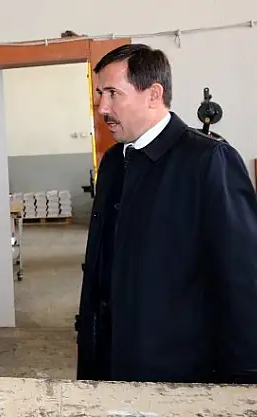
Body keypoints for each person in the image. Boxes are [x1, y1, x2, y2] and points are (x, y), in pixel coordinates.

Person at [75, 44, 257, 383]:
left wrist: (244, 379)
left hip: (177, 370)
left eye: (113, 93)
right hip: (110, 361)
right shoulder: (114, 162)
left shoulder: (208, 160)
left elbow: (243, 282)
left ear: (153, 94)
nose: (102, 108)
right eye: (100, 94)